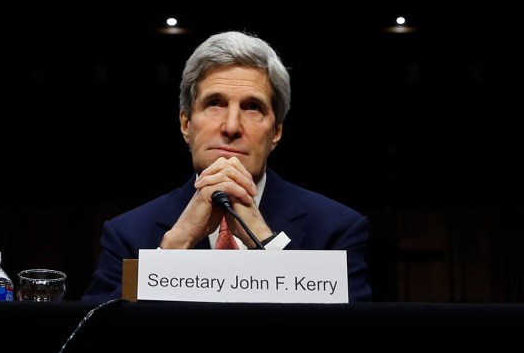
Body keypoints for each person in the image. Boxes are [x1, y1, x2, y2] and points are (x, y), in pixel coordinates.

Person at [80, 30, 373, 303]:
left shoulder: (338, 230)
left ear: (276, 132)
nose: (231, 126)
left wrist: (267, 245)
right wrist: (173, 248)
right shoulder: (128, 234)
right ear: (186, 124)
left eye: (252, 107)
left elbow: (350, 344)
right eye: (215, 103)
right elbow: (94, 344)